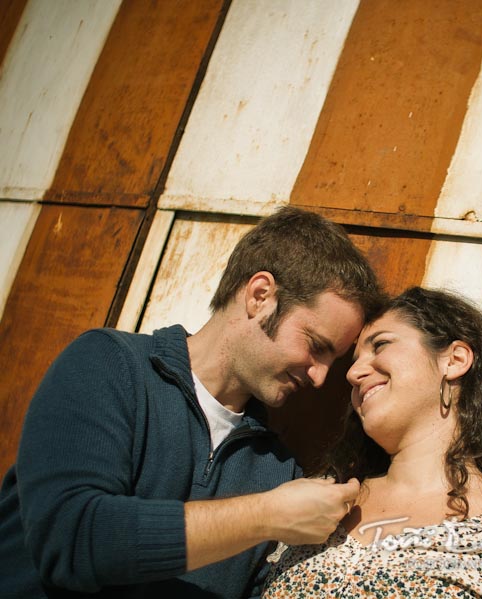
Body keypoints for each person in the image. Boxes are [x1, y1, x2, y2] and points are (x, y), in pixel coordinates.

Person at [0, 207, 384, 598]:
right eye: (316, 347)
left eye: (332, 362)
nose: (319, 377)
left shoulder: (277, 471)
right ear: (260, 295)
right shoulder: (111, 364)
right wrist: (268, 515)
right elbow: (71, 540)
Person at [263, 287, 482, 598]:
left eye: (381, 345)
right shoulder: (314, 501)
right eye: (354, 360)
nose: (353, 373)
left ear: (454, 360)